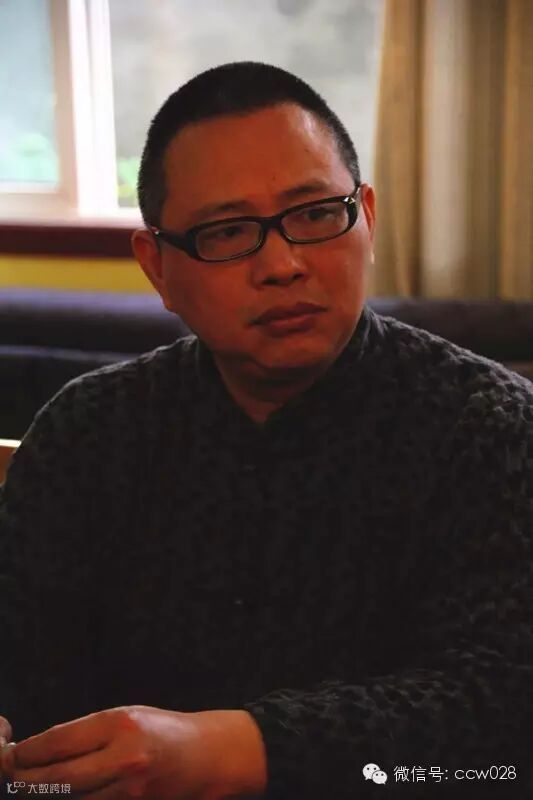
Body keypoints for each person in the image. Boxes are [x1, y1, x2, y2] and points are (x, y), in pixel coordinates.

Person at [0, 61, 532, 799]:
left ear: (367, 216)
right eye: (227, 232)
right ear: (157, 268)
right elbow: (24, 659)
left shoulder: (489, 427)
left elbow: (503, 712)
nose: (282, 265)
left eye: (315, 215)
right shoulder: (88, 431)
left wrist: (236, 750)